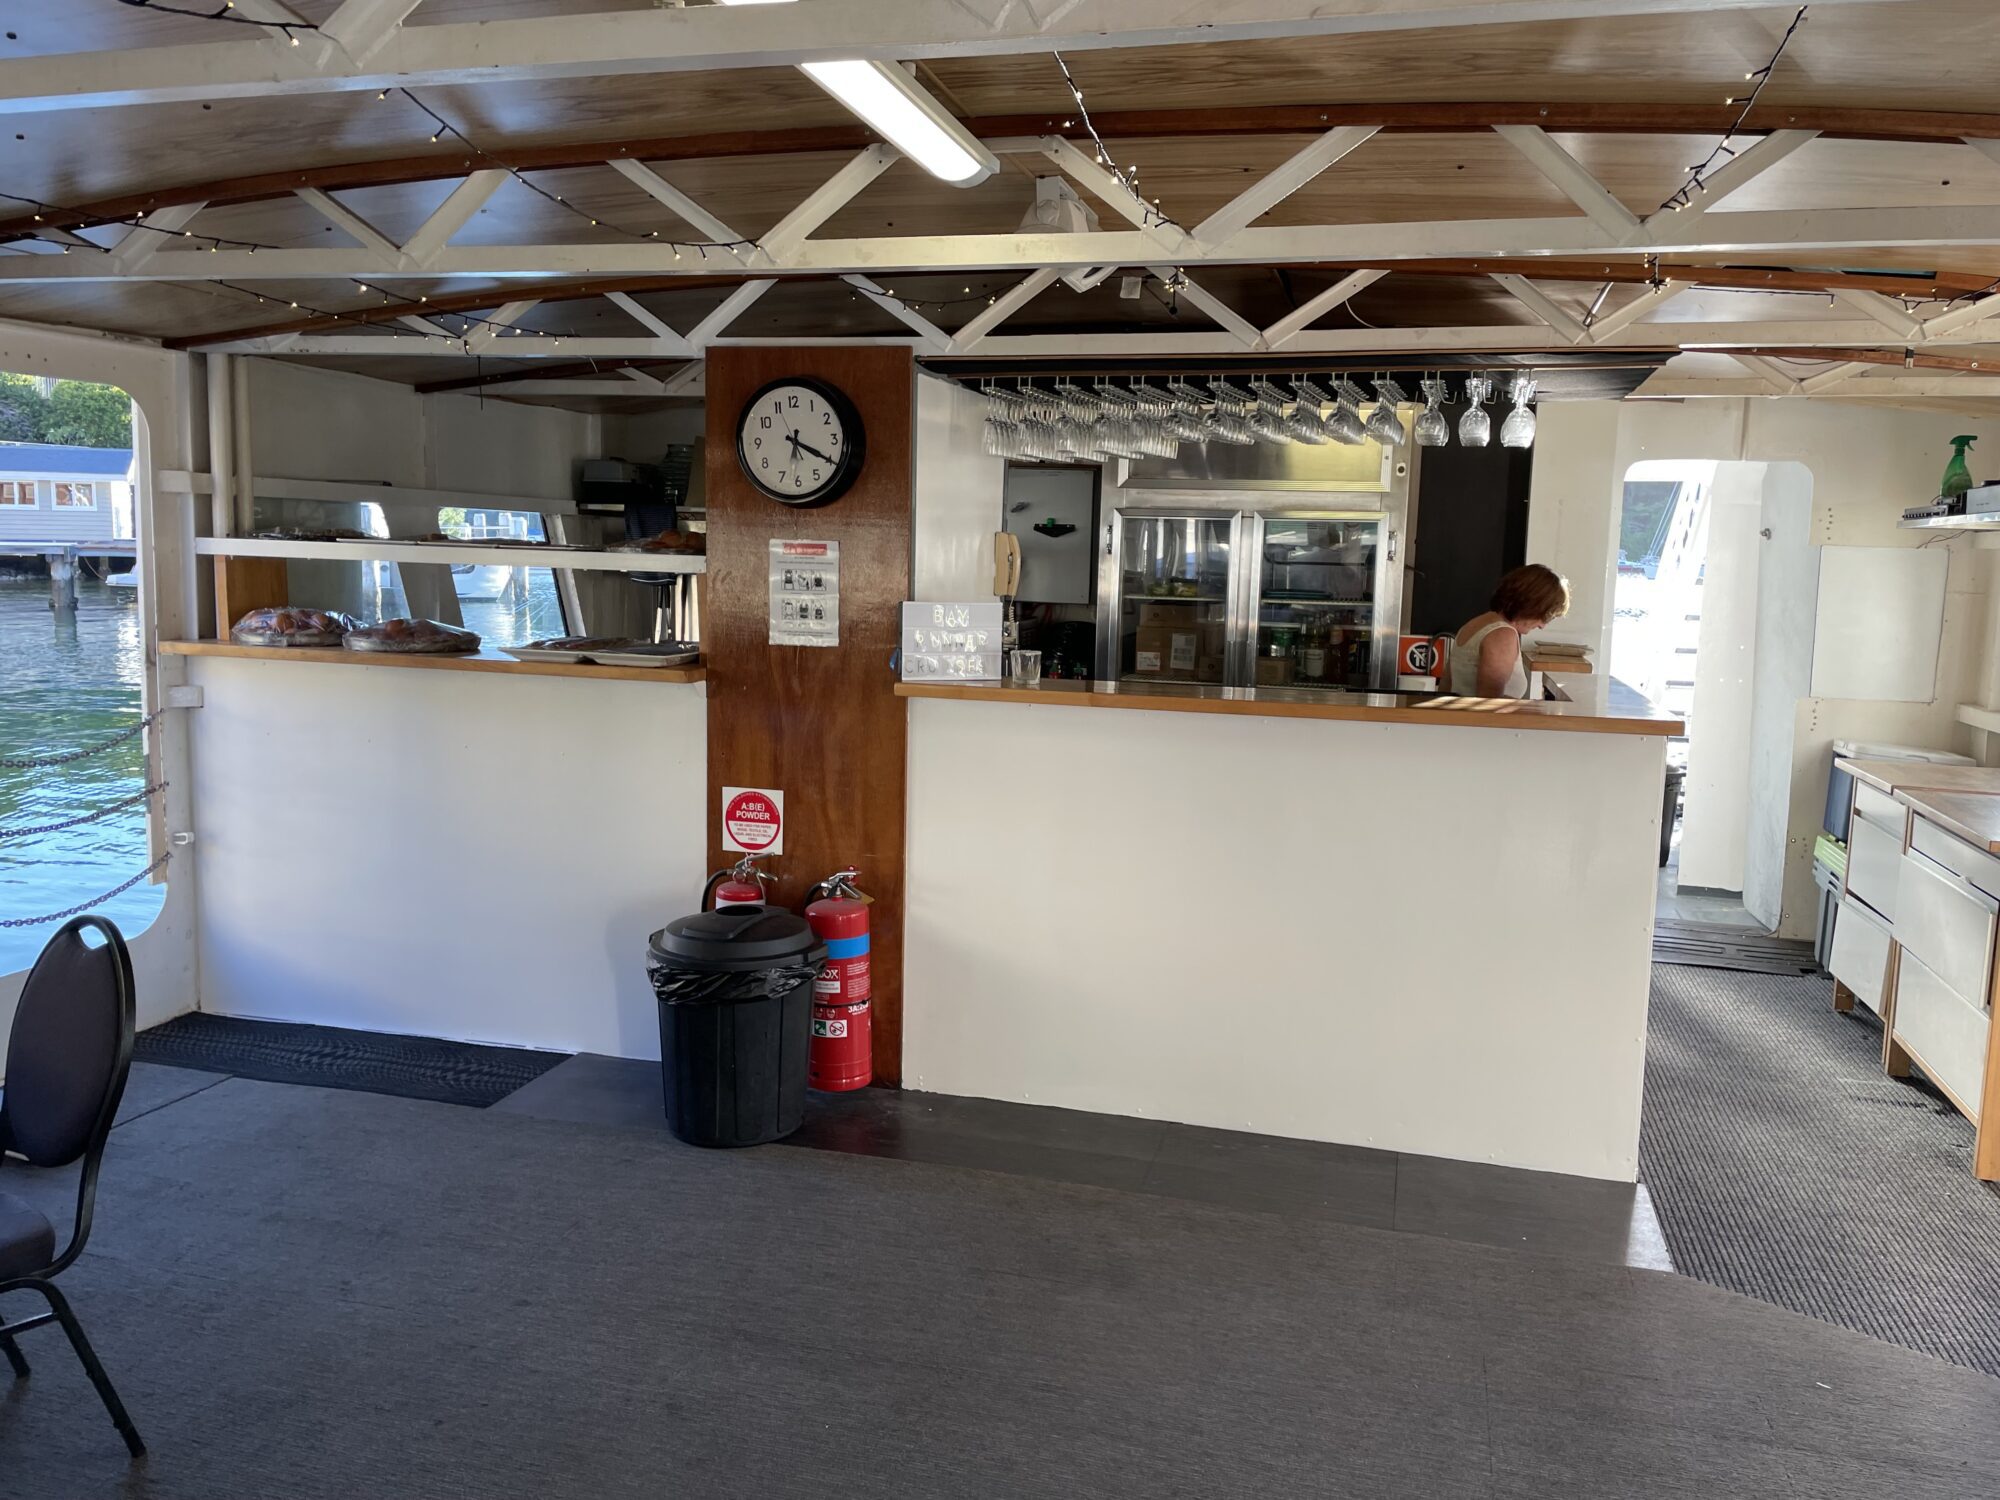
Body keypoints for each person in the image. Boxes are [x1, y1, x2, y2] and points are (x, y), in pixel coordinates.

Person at [1448, 563, 1570, 699]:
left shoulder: (1473, 624)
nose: (1542, 626)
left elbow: (1446, 687)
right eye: (1545, 617)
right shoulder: (1502, 634)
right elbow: (1489, 705)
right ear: (1533, 605)